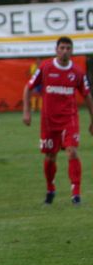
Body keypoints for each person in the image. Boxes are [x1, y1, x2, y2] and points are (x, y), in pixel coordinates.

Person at [22, 36, 93, 205]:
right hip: (49, 120)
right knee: (50, 156)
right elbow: (28, 88)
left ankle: (76, 194)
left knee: (72, 151)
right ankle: (50, 189)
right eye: (62, 48)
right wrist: (27, 112)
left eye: (68, 48)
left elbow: (87, 95)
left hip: (69, 119)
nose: (65, 51)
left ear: (72, 51)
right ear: (56, 50)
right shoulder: (46, 67)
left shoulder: (77, 72)